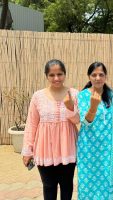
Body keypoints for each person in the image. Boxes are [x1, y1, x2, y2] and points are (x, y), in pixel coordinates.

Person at [22, 59, 78, 200]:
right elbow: (31, 124)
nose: (56, 78)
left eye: (60, 74)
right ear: (46, 76)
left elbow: (78, 121)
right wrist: (27, 151)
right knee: (48, 186)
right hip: (44, 149)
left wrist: (71, 107)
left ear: (65, 74)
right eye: (52, 75)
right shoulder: (38, 96)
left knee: (67, 186)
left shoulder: (75, 94)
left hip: (68, 149)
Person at [64, 62, 113, 199]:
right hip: (88, 148)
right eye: (94, 75)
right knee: (89, 182)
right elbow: (85, 122)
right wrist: (93, 106)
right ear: (89, 77)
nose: (97, 78)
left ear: (105, 76)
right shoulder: (83, 95)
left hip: (107, 148)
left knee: (107, 182)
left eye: (101, 74)